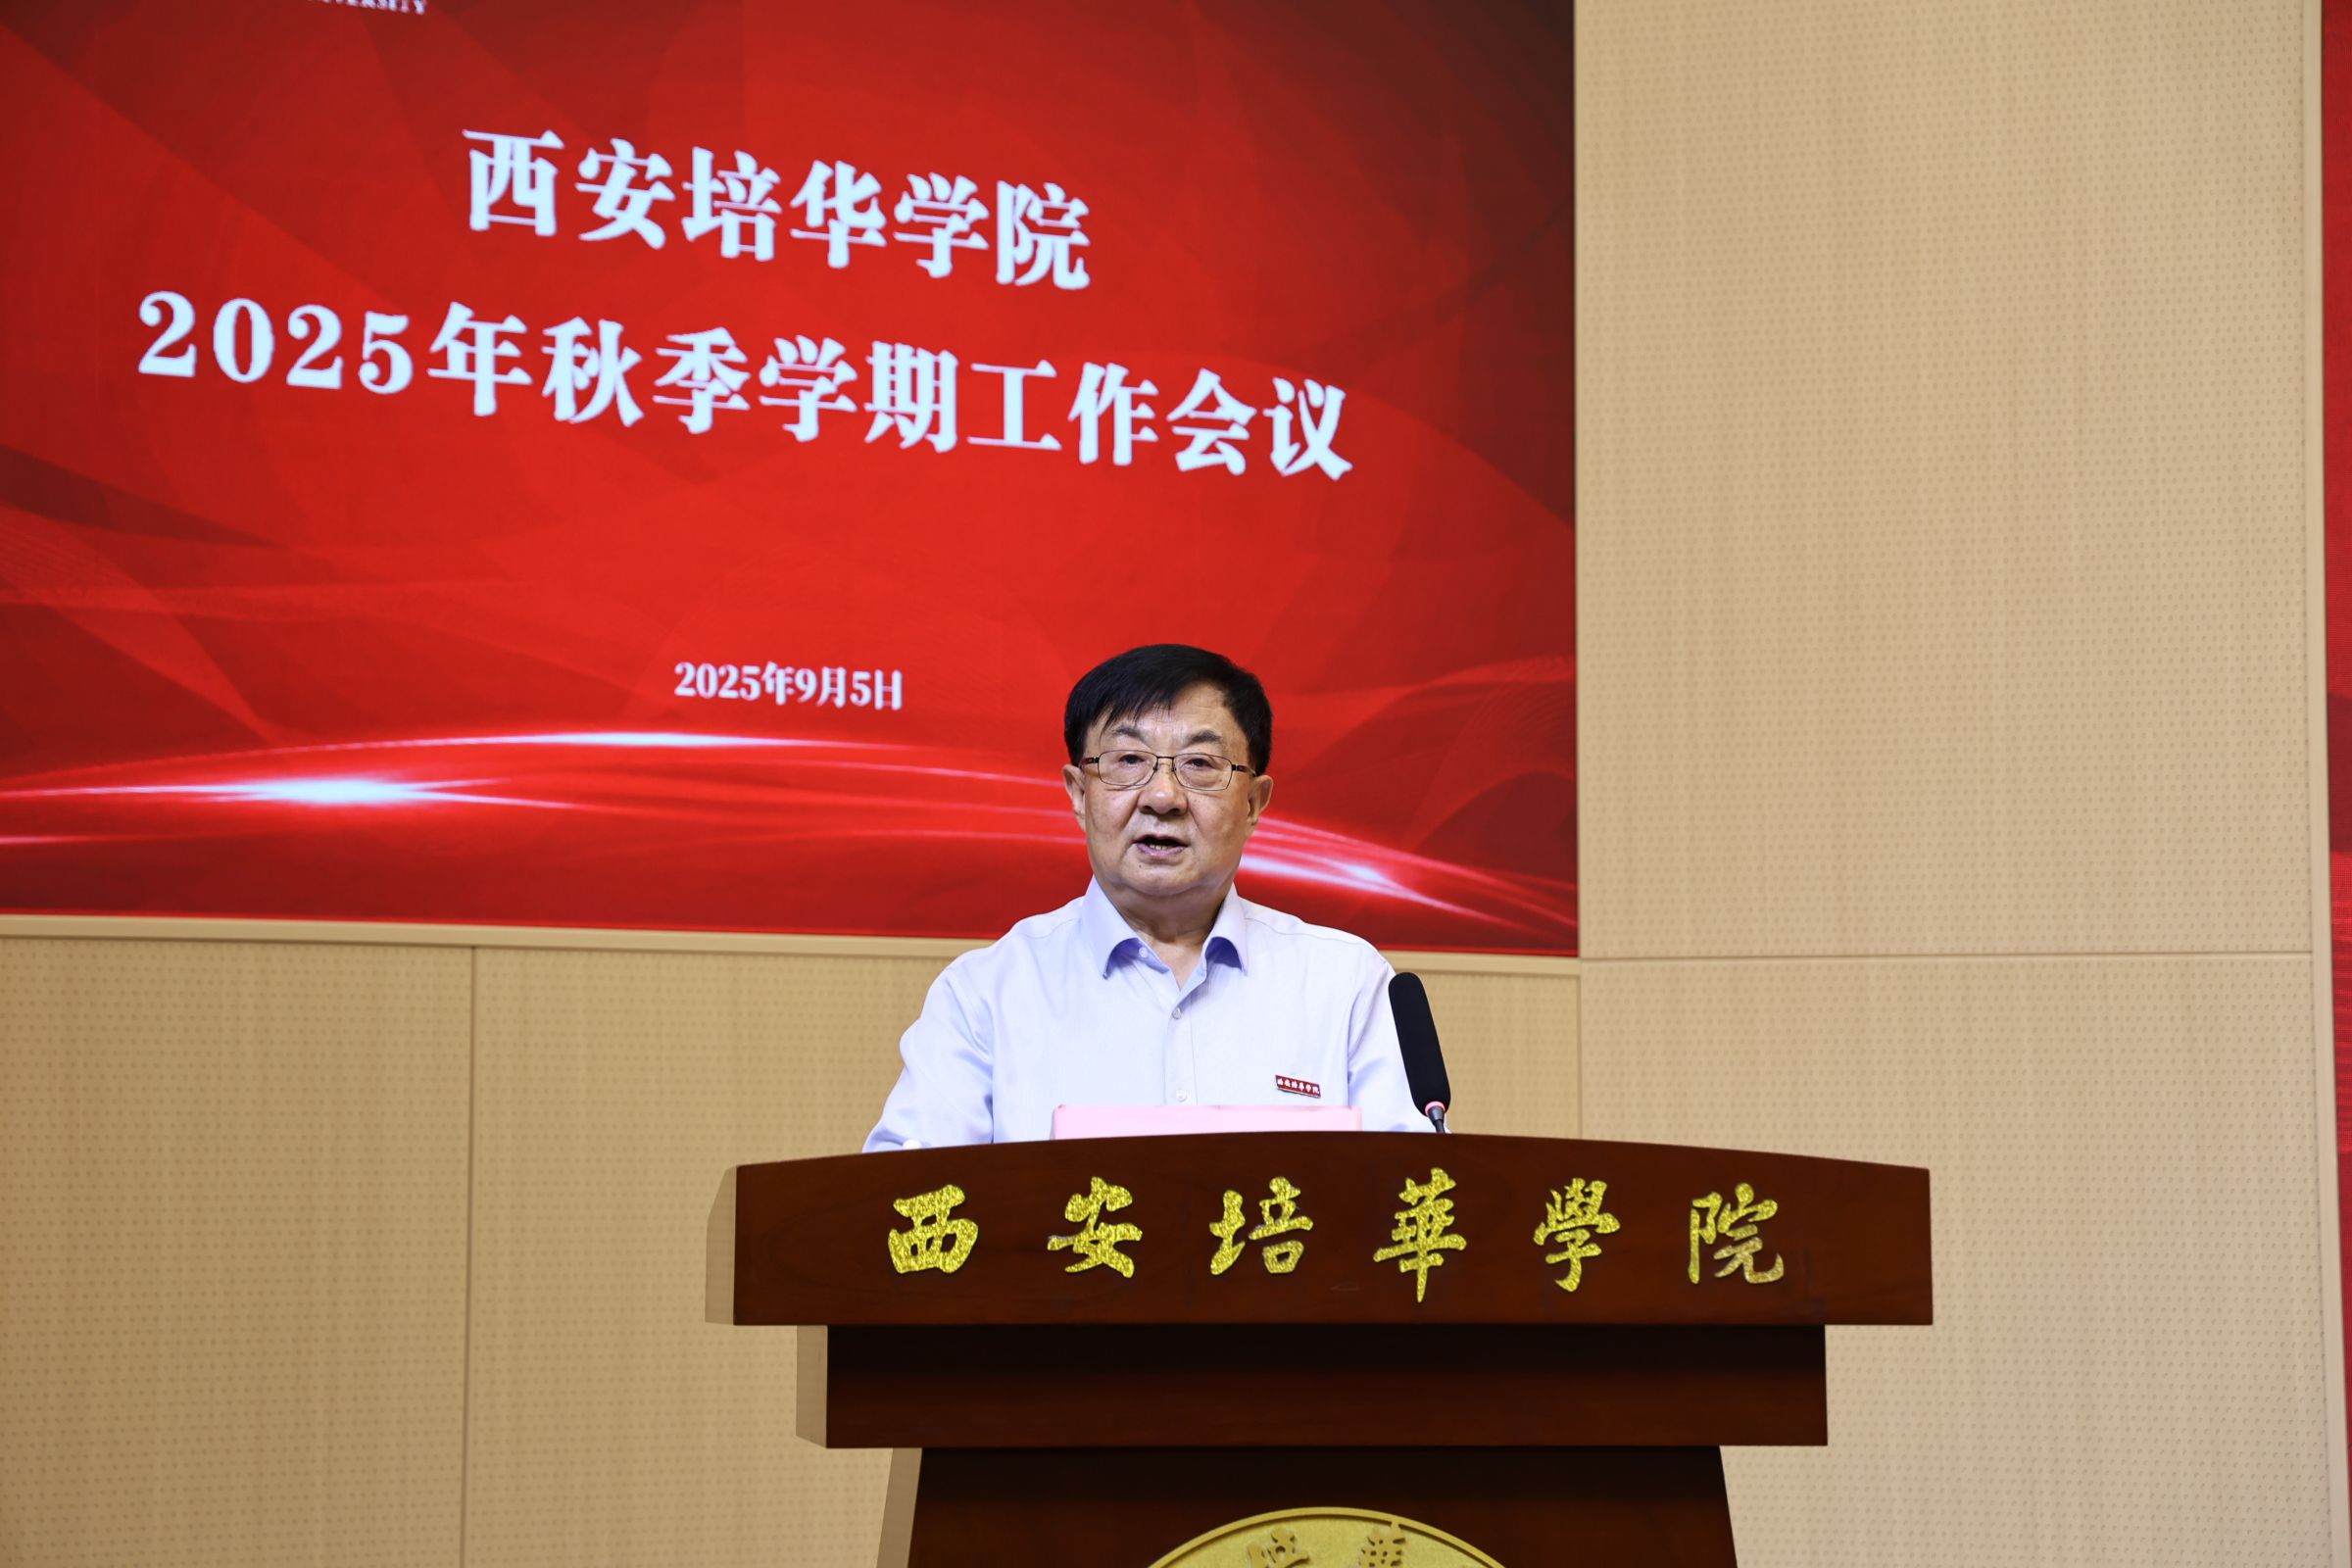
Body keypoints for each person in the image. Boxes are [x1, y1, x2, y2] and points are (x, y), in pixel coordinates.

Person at [862, 643, 1428, 1149]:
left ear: (1254, 803)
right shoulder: (987, 994)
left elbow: (1417, 1191)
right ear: (1079, 793)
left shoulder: (1345, 984)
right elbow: (904, 1200)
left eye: (1200, 765)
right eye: (1129, 761)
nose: (1163, 797)